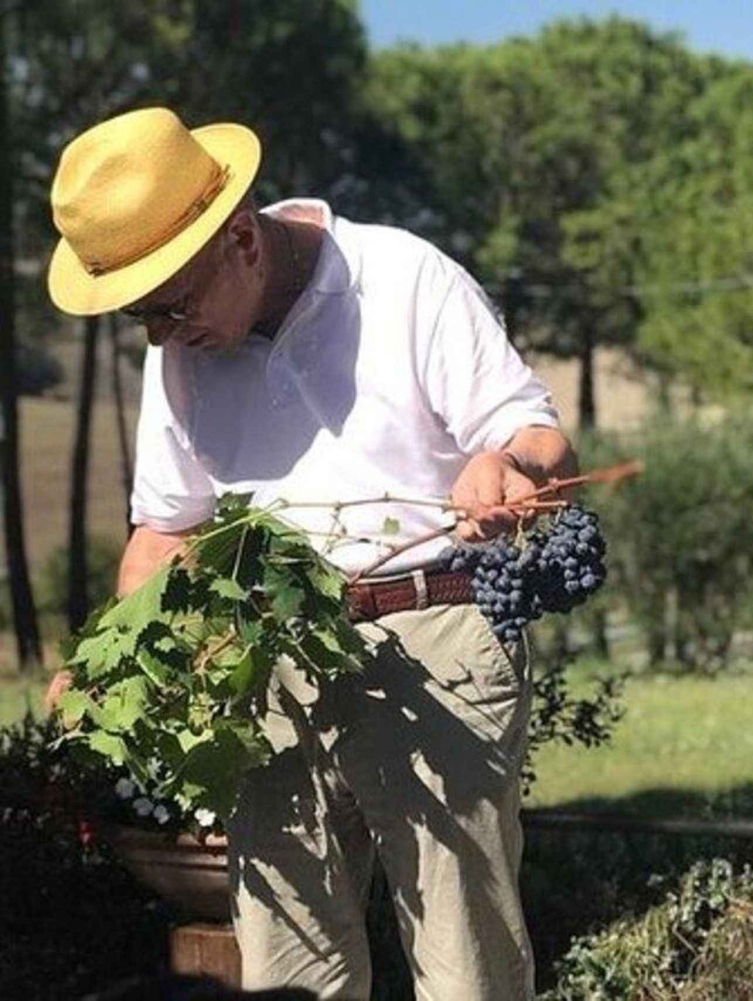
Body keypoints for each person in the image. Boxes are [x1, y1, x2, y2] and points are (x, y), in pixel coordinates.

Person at [47, 107, 576, 999]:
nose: (159, 335)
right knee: (289, 968)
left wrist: (510, 466)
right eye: (140, 315)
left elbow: (539, 439)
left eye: (169, 306)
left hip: (433, 639)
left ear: (242, 240)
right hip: (271, 658)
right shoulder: (182, 349)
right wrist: (109, 653)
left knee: (466, 965)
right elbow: (166, 530)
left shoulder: (403, 278)